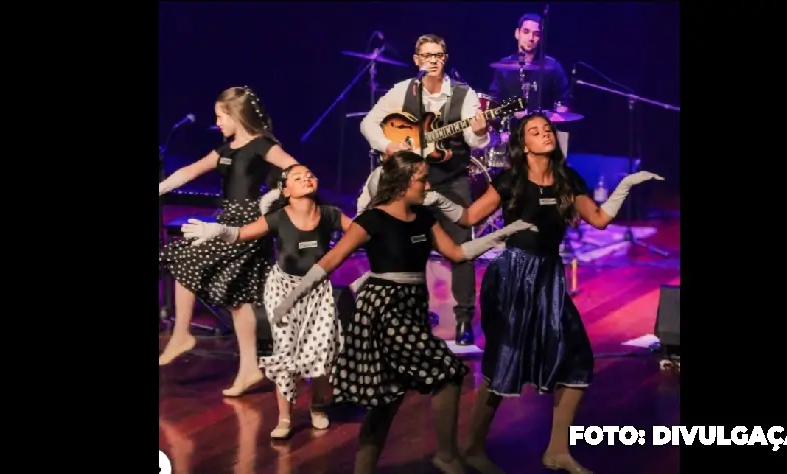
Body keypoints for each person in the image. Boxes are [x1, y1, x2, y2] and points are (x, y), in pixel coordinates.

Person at [270, 151, 535, 474]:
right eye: (423, 179)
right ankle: (447, 455)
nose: (428, 186)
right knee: (448, 373)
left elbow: (457, 253)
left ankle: (363, 469)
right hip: (384, 309)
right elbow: (329, 261)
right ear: (403, 182)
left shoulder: (423, 217)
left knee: (388, 397)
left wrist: (506, 232)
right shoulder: (372, 219)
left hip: (412, 307)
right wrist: (290, 299)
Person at [446, 113, 662, 474]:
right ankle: (471, 448)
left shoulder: (566, 178)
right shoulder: (511, 180)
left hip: (549, 277)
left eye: (547, 129)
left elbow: (599, 219)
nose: (545, 134)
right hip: (513, 276)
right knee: (504, 362)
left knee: (577, 358)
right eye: (535, 131)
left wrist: (625, 185)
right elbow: (468, 219)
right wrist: (430, 194)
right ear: (523, 143)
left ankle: (557, 450)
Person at [181, 164, 348, 439]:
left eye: (310, 174)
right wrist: (216, 230)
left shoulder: (331, 215)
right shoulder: (278, 217)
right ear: (285, 190)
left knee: (322, 354)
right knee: (285, 355)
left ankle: (318, 406)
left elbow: (360, 235)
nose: (306, 177)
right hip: (282, 291)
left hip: (319, 292)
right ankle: (284, 418)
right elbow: (240, 234)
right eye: (297, 176)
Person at [158, 86, 297, 398]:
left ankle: (181, 334)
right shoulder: (227, 148)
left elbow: (297, 171)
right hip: (228, 219)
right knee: (238, 298)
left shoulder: (262, 145)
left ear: (236, 115)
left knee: (184, 258)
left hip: (248, 222)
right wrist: (161, 187)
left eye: (221, 116)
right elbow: (190, 170)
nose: (217, 122)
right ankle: (249, 368)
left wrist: (272, 197)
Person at [358, 33, 490, 347]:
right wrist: (387, 146)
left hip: (450, 180)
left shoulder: (464, 95)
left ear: (446, 58)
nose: (433, 60)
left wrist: (481, 130)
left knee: (461, 250)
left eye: (439, 55)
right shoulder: (404, 90)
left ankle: (463, 321)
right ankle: (410, 315)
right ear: (417, 60)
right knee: (404, 247)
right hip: (408, 183)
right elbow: (368, 123)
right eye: (427, 55)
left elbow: (475, 141)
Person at [489, 13, 572, 115]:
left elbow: (564, 102)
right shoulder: (503, 67)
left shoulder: (553, 67)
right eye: (526, 32)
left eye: (536, 34)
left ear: (541, 38)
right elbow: (494, 101)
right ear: (517, 33)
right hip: (512, 128)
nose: (531, 38)